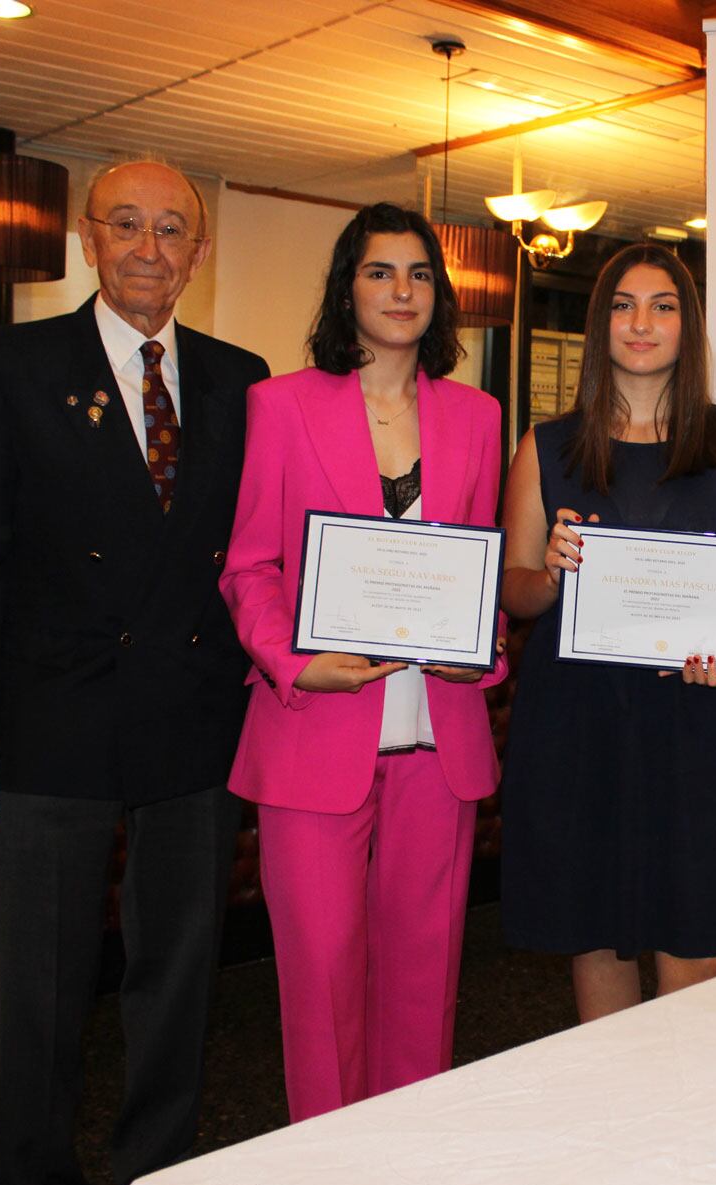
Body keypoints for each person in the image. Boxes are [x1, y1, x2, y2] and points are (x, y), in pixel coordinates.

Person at [0, 159, 269, 1185]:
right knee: (43, 985)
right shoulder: (10, 367)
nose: (150, 248)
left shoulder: (242, 379)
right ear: (89, 238)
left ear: (199, 255)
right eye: (128, 225)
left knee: (175, 979)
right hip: (49, 725)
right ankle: (34, 1180)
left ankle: (157, 1169)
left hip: (194, 720)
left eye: (173, 231)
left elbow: (264, 549)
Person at [219, 203, 505, 1122]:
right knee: (321, 980)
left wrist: (483, 649)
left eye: (420, 274)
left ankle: (408, 1162)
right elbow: (250, 565)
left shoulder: (477, 416)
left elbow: (481, 568)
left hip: (439, 737)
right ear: (348, 287)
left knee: (427, 978)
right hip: (313, 735)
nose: (401, 291)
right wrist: (295, 664)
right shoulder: (282, 405)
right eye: (381, 272)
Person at [498, 242, 716, 1022]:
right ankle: (611, 1132)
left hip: (698, 721)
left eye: (663, 306)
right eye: (624, 305)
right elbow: (515, 588)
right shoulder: (546, 447)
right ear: (600, 326)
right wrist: (553, 574)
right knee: (595, 939)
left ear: (688, 328)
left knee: (696, 950)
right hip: (580, 727)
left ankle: (691, 1134)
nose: (642, 323)